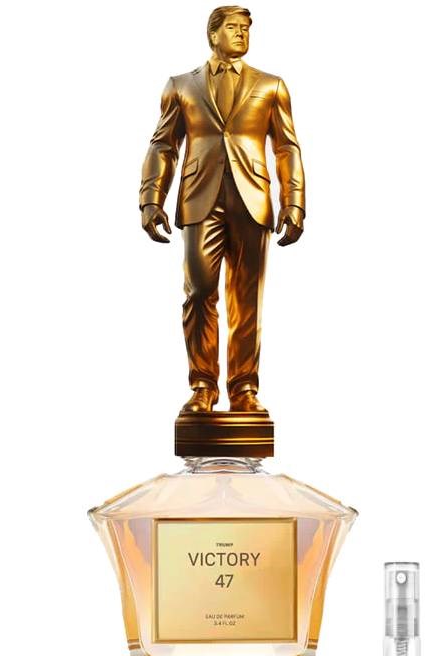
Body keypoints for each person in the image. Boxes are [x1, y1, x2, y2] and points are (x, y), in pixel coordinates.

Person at [139, 5, 306, 413]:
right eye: (233, 27)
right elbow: (163, 145)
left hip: (253, 200)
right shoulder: (181, 86)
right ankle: (202, 385)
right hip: (200, 198)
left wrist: (294, 201)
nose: (242, 33)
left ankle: (244, 388)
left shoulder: (272, 85)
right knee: (198, 291)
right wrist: (151, 198)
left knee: (246, 298)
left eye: (246, 28)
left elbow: (286, 147)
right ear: (212, 34)